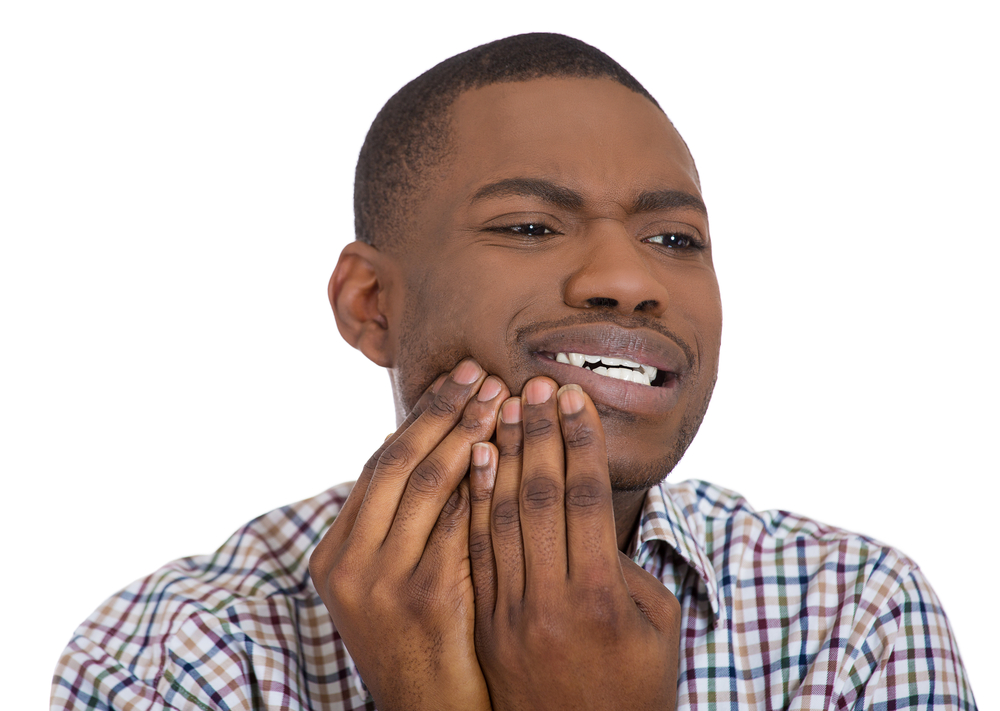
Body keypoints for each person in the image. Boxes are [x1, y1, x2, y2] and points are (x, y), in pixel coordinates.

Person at [51, 33, 976, 710]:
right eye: (531, 226)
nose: (628, 278)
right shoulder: (186, 650)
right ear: (370, 304)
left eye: (674, 238)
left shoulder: (856, 617)